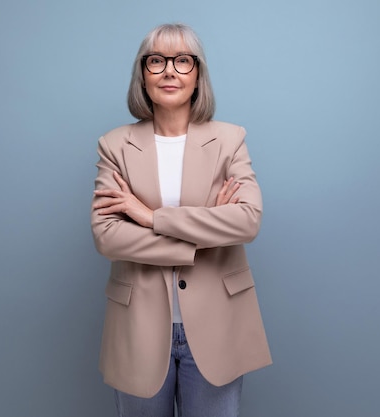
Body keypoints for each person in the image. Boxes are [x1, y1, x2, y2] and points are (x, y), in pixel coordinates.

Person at [91, 23, 272, 417]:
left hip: (218, 324)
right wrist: (204, 233)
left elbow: (247, 221)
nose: (169, 70)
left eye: (182, 61)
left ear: (197, 75)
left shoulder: (229, 140)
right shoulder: (114, 146)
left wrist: (150, 217)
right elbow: (108, 236)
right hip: (138, 325)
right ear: (143, 75)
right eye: (156, 61)